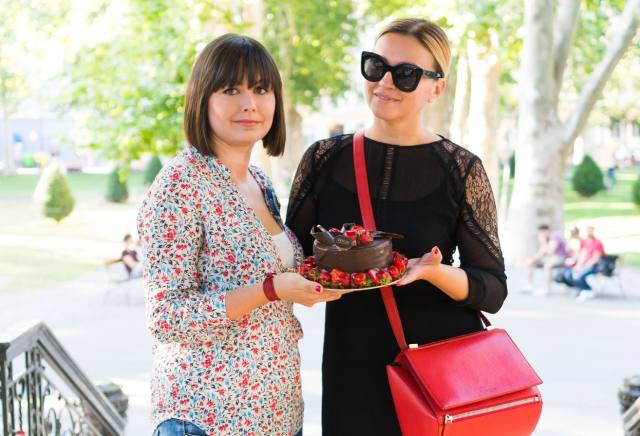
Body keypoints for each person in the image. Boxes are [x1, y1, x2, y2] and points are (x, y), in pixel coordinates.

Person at [286, 18, 507, 436]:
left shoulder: (462, 169)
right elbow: (290, 261)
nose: (384, 82)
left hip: (440, 378)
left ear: (436, 89)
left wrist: (435, 272)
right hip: (351, 372)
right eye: (375, 66)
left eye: (405, 73)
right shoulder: (322, 159)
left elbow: (493, 289)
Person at [137, 34, 340, 436]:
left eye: (261, 89)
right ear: (203, 99)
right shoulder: (180, 183)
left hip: (276, 414)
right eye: (231, 89)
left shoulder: (259, 182)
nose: (250, 103)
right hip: (207, 417)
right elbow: (166, 318)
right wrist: (270, 289)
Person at [563, 226, 605, 300]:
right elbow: (582, 255)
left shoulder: (597, 243)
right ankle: (581, 289)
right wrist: (578, 265)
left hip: (594, 266)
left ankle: (588, 290)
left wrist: (583, 267)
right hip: (584, 265)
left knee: (579, 275)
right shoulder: (585, 242)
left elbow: (595, 258)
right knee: (569, 274)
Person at [524, 224, 568, 295]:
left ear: (546, 231)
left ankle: (547, 288)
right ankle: (529, 285)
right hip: (552, 257)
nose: (540, 235)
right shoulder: (548, 238)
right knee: (530, 262)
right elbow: (541, 252)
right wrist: (533, 259)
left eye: (541, 233)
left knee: (548, 265)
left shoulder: (555, 236)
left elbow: (551, 251)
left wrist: (543, 242)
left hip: (561, 257)